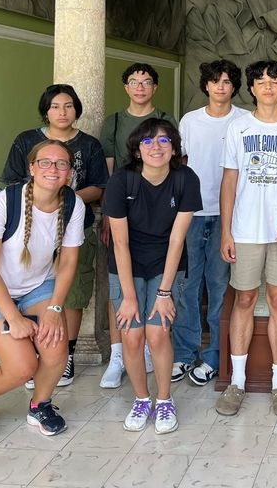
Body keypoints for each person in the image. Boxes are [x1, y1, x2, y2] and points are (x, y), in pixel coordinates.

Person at [0, 139, 84, 439]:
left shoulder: (73, 205)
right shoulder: (4, 202)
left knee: (56, 352)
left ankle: (40, 405)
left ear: (69, 172)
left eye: (61, 163)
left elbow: (68, 262)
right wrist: (13, 318)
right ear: (32, 167)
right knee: (22, 367)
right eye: (45, 162)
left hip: (37, 287)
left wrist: (55, 308)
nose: (53, 169)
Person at [216, 60, 277, 418]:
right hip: (244, 230)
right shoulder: (238, 128)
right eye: (260, 81)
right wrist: (227, 229)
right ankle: (237, 382)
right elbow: (229, 181)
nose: (268, 86)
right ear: (252, 89)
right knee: (243, 299)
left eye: (274, 80)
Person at [0, 84, 108, 388]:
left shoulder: (89, 145)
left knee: (71, 291)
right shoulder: (26, 141)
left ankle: (67, 355)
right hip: (28, 228)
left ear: (77, 110)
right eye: (56, 106)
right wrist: (43, 198)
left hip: (76, 227)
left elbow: (99, 186)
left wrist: (66, 198)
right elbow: (10, 182)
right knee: (30, 288)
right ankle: (30, 354)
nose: (63, 112)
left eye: (69, 105)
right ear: (45, 110)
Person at [103, 118, 201, 434]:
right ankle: (141, 398)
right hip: (126, 262)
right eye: (147, 141)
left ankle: (163, 401)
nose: (155, 147)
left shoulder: (185, 179)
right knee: (132, 335)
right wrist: (129, 297)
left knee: (157, 333)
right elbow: (120, 241)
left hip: (166, 262)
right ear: (137, 149)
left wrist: (164, 293)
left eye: (162, 141)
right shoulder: (122, 181)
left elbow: (177, 239)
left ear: (173, 148)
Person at [99, 63, 177, 389]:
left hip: (157, 217)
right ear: (126, 86)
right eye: (134, 81)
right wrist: (108, 215)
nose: (140, 87)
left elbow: (175, 167)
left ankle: (147, 349)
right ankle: (119, 354)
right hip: (121, 212)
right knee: (120, 283)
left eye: (146, 82)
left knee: (155, 288)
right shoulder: (114, 122)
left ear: (155, 87)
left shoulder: (166, 120)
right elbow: (108, 171)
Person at [172, 59, 247, 385]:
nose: (221, 86)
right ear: (205, 85)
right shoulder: (190, 121)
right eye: (215, 81)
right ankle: (184, 354)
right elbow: (179, 163)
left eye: (227, 81)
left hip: (228, 216)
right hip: (191, 213)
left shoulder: (245, 120)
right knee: (188, 288)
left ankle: (214, 355)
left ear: (234, 87)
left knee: (219, 287)